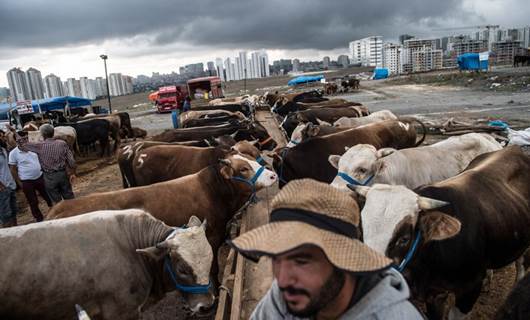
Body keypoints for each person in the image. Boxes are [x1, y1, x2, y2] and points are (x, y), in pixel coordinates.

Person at [229, 179, 423, 320]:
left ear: (345, 260)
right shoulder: (287, 295)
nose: (282, 279)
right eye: (276, 259)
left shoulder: (396, 316)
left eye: (302, 261)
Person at [13, 124, 76, 204]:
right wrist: (73, 173)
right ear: (53, 133)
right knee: (69, 197)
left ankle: (62, 213)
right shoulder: (62, 143)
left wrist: (15, 132)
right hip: (62, 174)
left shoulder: (39, 146)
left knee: (57, 201)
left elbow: (22, 144)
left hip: (49, 177)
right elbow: (71, 161)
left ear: (42, 134)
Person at [9, 131, 53, 222]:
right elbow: (13, 169)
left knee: (48, 196)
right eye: (22, 139)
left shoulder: (34, 147)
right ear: (16, 141)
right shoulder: (13, 153)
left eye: (26, 138)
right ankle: (39, 219)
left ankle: (54, 211)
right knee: (33, 201)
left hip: (40, 177)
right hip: (27, 181)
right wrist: (19, 182)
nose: (25, 140)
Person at [0, 134, 17, 227]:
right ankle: (8, 234)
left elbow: (16, 146)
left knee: (14, 211)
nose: (4, 138)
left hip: (10, 184)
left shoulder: (3, 150)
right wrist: (1, 185)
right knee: (5, 214)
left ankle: (16, 231)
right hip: (2, 188)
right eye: (1, 137)